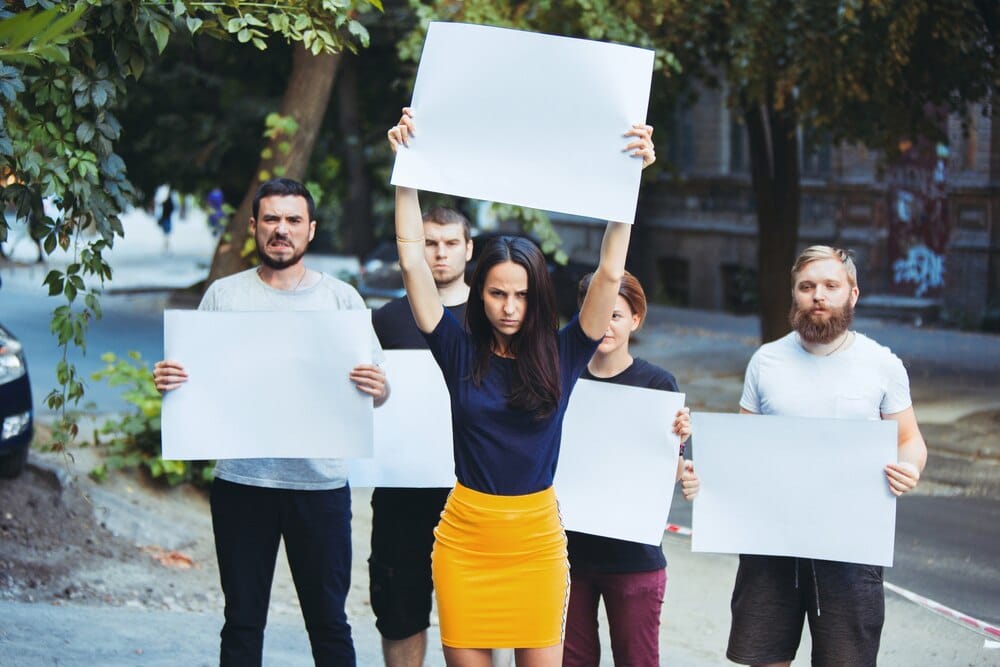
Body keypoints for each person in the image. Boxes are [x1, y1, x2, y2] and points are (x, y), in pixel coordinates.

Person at [388, 107, 655, 667]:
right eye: (497, 294)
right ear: (479, 293)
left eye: (523, 295)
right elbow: (413, 261)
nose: (510, 307)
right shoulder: (455, 347)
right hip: (464, 542)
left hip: (537, 545)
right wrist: (406, 168)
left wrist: (628, 176)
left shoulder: (566, 350)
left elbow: (609, 273)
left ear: (540, 296)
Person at [152, 178, 389, 666]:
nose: (282, 229)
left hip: (321, 488)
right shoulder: (224, 295)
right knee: (242, 621)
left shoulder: (342, 300)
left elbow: (379, 392)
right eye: (272, 219)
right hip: (242, 484)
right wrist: (171, 381)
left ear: (311, 229)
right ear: (254, 226)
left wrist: (378, 388)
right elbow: (197, 380)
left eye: (293, 220)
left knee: (329, 622)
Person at [727, 245, 928, 667]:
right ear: (794, 294)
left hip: (851, 545)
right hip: (771, 541)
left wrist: (909, 467)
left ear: (852, 294)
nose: (818, 295)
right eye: (807, 286)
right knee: (764, 659)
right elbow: (742, 446)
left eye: (830, 286)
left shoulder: (882, 364)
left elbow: (910, 439)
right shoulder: (766, 361)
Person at [562, 271, 700, 667]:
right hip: (567, 555)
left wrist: (681, 451)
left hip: (634, 558)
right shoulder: (563, 375)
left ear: (636, 319)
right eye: (595, 312)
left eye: (616, 315)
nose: (605, 325)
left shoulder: (657, 385)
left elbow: (668, 474)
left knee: (637, 660)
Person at [368, 205, 473, 667]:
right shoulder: (386, 320)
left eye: (451, 243)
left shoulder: (496, 315)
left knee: (477, 617)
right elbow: (361, 398)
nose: (440, 253)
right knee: (399, 613)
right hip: (401, 491)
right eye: (429, 243)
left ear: (469, 249)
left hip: (474, 494)